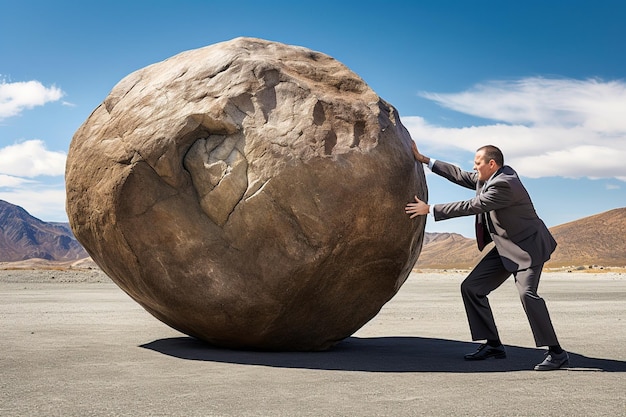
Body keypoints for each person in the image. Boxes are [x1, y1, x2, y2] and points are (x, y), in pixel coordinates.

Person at [405, 142, 568, 371]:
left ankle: (557, 353)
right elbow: (460, 176)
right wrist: (425, 160)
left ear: (492, 164)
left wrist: (429, 209)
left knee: (527, 294)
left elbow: (473, 205)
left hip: (529, 248)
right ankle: (493, 345)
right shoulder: (490, 177)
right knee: (471, 288)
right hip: (506, 246)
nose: (474, 167)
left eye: (478, 163)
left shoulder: (505, 184)